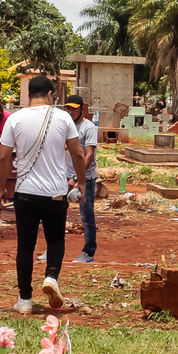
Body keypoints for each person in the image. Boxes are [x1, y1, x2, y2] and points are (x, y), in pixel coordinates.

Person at [0, 75, 86, 313]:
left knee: (25, 245)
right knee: (56, 239)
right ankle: (51, 278)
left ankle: (25, 300)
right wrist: (82, 183)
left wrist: (1, 189)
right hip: (55, 193)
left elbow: (4, 157)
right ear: (50, 95)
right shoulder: (64, 117)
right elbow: (77, 154)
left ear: (28, 96)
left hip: (25, 193)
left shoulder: (14, 118)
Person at [64, 95, 100, 263]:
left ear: (82, 109)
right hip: (67, 177)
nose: (70, 112)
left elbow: (89, 155)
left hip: (85, 178)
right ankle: (53, 249)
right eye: (68, 108)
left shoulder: (89, 128)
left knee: (87, 216)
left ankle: (89, 253)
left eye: (74, 108)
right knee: (56, 213)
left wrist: (77, 178)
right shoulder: (68, 126)